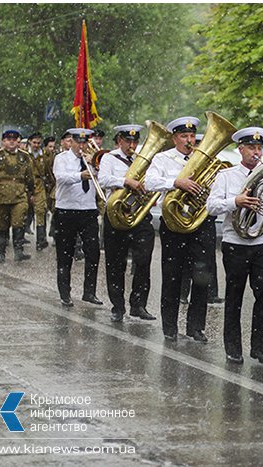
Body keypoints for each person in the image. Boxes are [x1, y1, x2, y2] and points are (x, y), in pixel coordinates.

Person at [207, 126, 263, 364]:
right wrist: (235, 201)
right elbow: (212, 207)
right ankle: (233, 347)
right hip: (235, 243)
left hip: (262, 243)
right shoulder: (226, 177)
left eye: (259, 147)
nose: (256, 152)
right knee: (234, 295)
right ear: (240, 149)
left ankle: (259, 348)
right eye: (251, 147)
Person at [145, 116, 213, 342]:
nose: (189, 140)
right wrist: (176, 182)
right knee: (172, 275)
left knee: (202, 276)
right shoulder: (164, 158)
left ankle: (196, 327)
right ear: (174, 138)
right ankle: (170, 326)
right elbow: (150, 182)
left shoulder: (203, 158)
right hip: (173, 223)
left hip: (199, 223)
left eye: (192, 136)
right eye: (184, 136)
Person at [98, 124, 156, 322]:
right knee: (115, 262)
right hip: (116, 215)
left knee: (143, 260)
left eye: (135, 141)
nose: (132, 145)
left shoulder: (143, 160)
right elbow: (103, 179)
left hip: (139, 215)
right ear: (119, 141)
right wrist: (126, 181)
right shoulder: (110, 158)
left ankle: (138, 304)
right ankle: (118, 306)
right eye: (127, 141)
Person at [52, 128, 103, 307]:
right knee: (65, 254)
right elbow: (61, 177)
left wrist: (96, 165)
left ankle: (89, 292)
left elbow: (103, 180)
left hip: (88, 210)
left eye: (84, 142)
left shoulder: (93, 158)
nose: (82, 146)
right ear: (71, 142)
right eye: (78, 142)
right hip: (66, 210)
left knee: (93, 252)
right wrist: (80, 175)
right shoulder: (62, 158)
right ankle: (65, 293)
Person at [178, 131, 223, 305]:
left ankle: (211, 293)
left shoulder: (209, 164)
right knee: (185, 258)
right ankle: (182, 292)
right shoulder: (185, 162)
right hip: (184, 214)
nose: (191, 143)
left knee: (208, 258)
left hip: (205, 215)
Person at [0, 129, 35, 263]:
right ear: (3, 141)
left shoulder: (24, 156)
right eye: (8, 139)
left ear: (17, 141)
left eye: (14, 139)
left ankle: (18, 251)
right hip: (0, 196)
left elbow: (30, 176)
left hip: (19, 195)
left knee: (19, 222)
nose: (11, 142)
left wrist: (32, 193)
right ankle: (1, 253)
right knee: (1, 225)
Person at [26, 132, 50, 250]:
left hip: (39, 185)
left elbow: (48, 172)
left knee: (41, 211)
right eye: (34, 142)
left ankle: (40, 240)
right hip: (24, 185)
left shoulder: (44, 156)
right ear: (30, 142)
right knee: (21, 212)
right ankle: (18, 240)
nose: (36, 145)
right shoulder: (24, 154)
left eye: (38, 143)